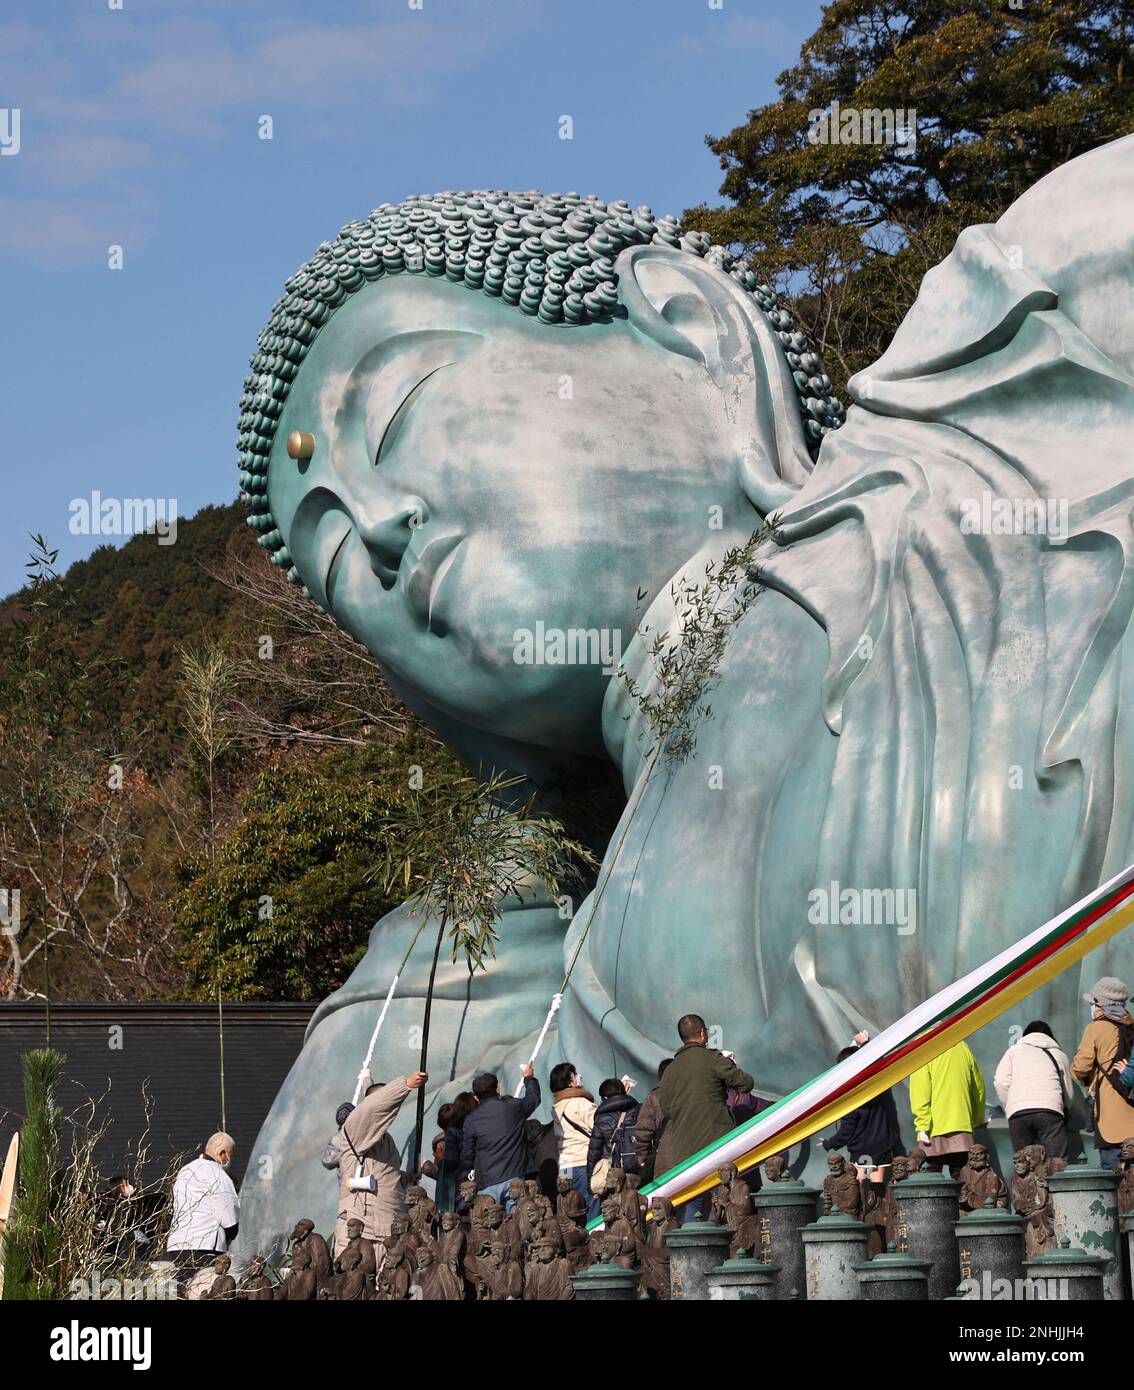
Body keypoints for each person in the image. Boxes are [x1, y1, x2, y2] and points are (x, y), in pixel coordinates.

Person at [659, 1015, 754, 1222]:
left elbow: (665, 1108)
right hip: (717, 1141)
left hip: (684, 1146)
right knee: (720, 1197)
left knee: (693, 1201)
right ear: (703, 1033)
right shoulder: (712, 1059)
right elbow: (746, 1083)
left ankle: (695, 1249)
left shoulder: (670, 1071)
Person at [335, 1067, 427, 1256]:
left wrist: (406, 1178)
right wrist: (406, 1085)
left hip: (387, 1227)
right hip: (362, 1228)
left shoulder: (386, 1140)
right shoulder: (355, 1130)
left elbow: (385, 1176)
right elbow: (372, 1108)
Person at [1071, 976, 1134, 1170]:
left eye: (1093, 1003)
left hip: (1111, 1118)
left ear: (1100, 1005)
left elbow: (1080, 1067)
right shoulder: (1130, 1027)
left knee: (1114, 1178)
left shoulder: (1096, 1028)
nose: (1092, 1007)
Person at [459, 1065, 541, 1212]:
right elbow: (534, 1098)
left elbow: (467, 1156)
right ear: (498, 1090)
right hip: (515, 1179)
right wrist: (529, 1078)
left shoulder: (471, 1120)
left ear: (476, 1098)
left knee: (492, 1229)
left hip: (487, 1183)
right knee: (519, 1227)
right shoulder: (514, 1107)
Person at [993, 1020, 1074, 1160]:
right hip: (1049, 1111)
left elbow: (1000, 1081)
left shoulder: (1013, 1051)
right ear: (1050, 1037)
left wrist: (1011, 1103)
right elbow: (1068, 1092)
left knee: (1024, 1164)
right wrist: (1065, 1106)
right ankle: (1056, 1182)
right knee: (1056, 1161)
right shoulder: (1058, 1054)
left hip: (1018, 1113)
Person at [909, 1040, 986, 1179]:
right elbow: (978, 1089)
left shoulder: (923, 1048)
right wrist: (976, 1118)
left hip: (932, 1129)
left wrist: (922, 1125)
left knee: (930, 1181)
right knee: (963, 1181)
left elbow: (920, 1092)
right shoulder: (963, 1046)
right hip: (962, 1127)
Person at [166, 1132, 240, 1270]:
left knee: (185, 1287)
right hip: (204, 1245)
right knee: (207, 1288)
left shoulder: (186, 1170)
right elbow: (229, 1218)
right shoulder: (218, 1174)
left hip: (177, 1244)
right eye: (230, 1155)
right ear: (222, 1153)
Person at [550, 1061, 597, 1221]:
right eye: (574, 1074)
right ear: (570, 1082)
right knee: (590, 1206)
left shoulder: (556, 1108)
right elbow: (598, 1128)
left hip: (564, 1165)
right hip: (582, 1162)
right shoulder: (581, 1103)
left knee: (570, 1208)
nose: (578, 1077)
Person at [586, 1078, 640, 1191]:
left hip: (613, 1175)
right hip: (636, 1169)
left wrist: (591, 1182)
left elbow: (594, 1152)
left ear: (605, 1097)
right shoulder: (638, 1110)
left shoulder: (602, 1118)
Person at [634, 1059, 674, 1184]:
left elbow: (643, 1131)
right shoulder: (692, 1093)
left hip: (663, 1158)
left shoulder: (654, 1096)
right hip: (692, 1156)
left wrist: (642, 1157)